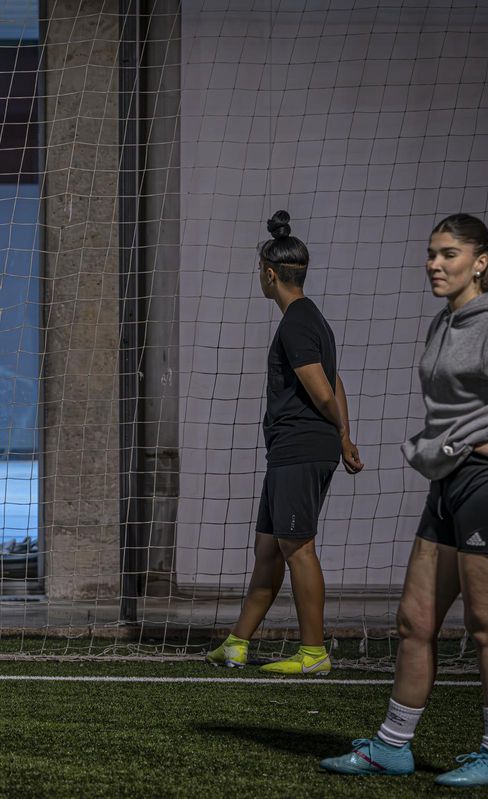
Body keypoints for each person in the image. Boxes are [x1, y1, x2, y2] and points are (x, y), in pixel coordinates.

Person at [320, 214, 488, 787]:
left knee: (487, 628)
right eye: (432, 253)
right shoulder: (449, 318)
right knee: (414, 622)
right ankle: (391, 747)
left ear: (480, 261)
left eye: (449, 254)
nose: (435, 264)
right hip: (450, 487)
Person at [206, 211, 363, 675]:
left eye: (260, 271)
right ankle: (237, 643)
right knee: (269, 548)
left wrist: (339, 433)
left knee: (299, 549)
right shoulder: (312, 318)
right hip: (292, 450)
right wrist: (345, 435)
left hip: (300, 448)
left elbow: (320, 389)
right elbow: (338, 382)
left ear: (270, 274)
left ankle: (313, 653)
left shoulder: (296, 322)